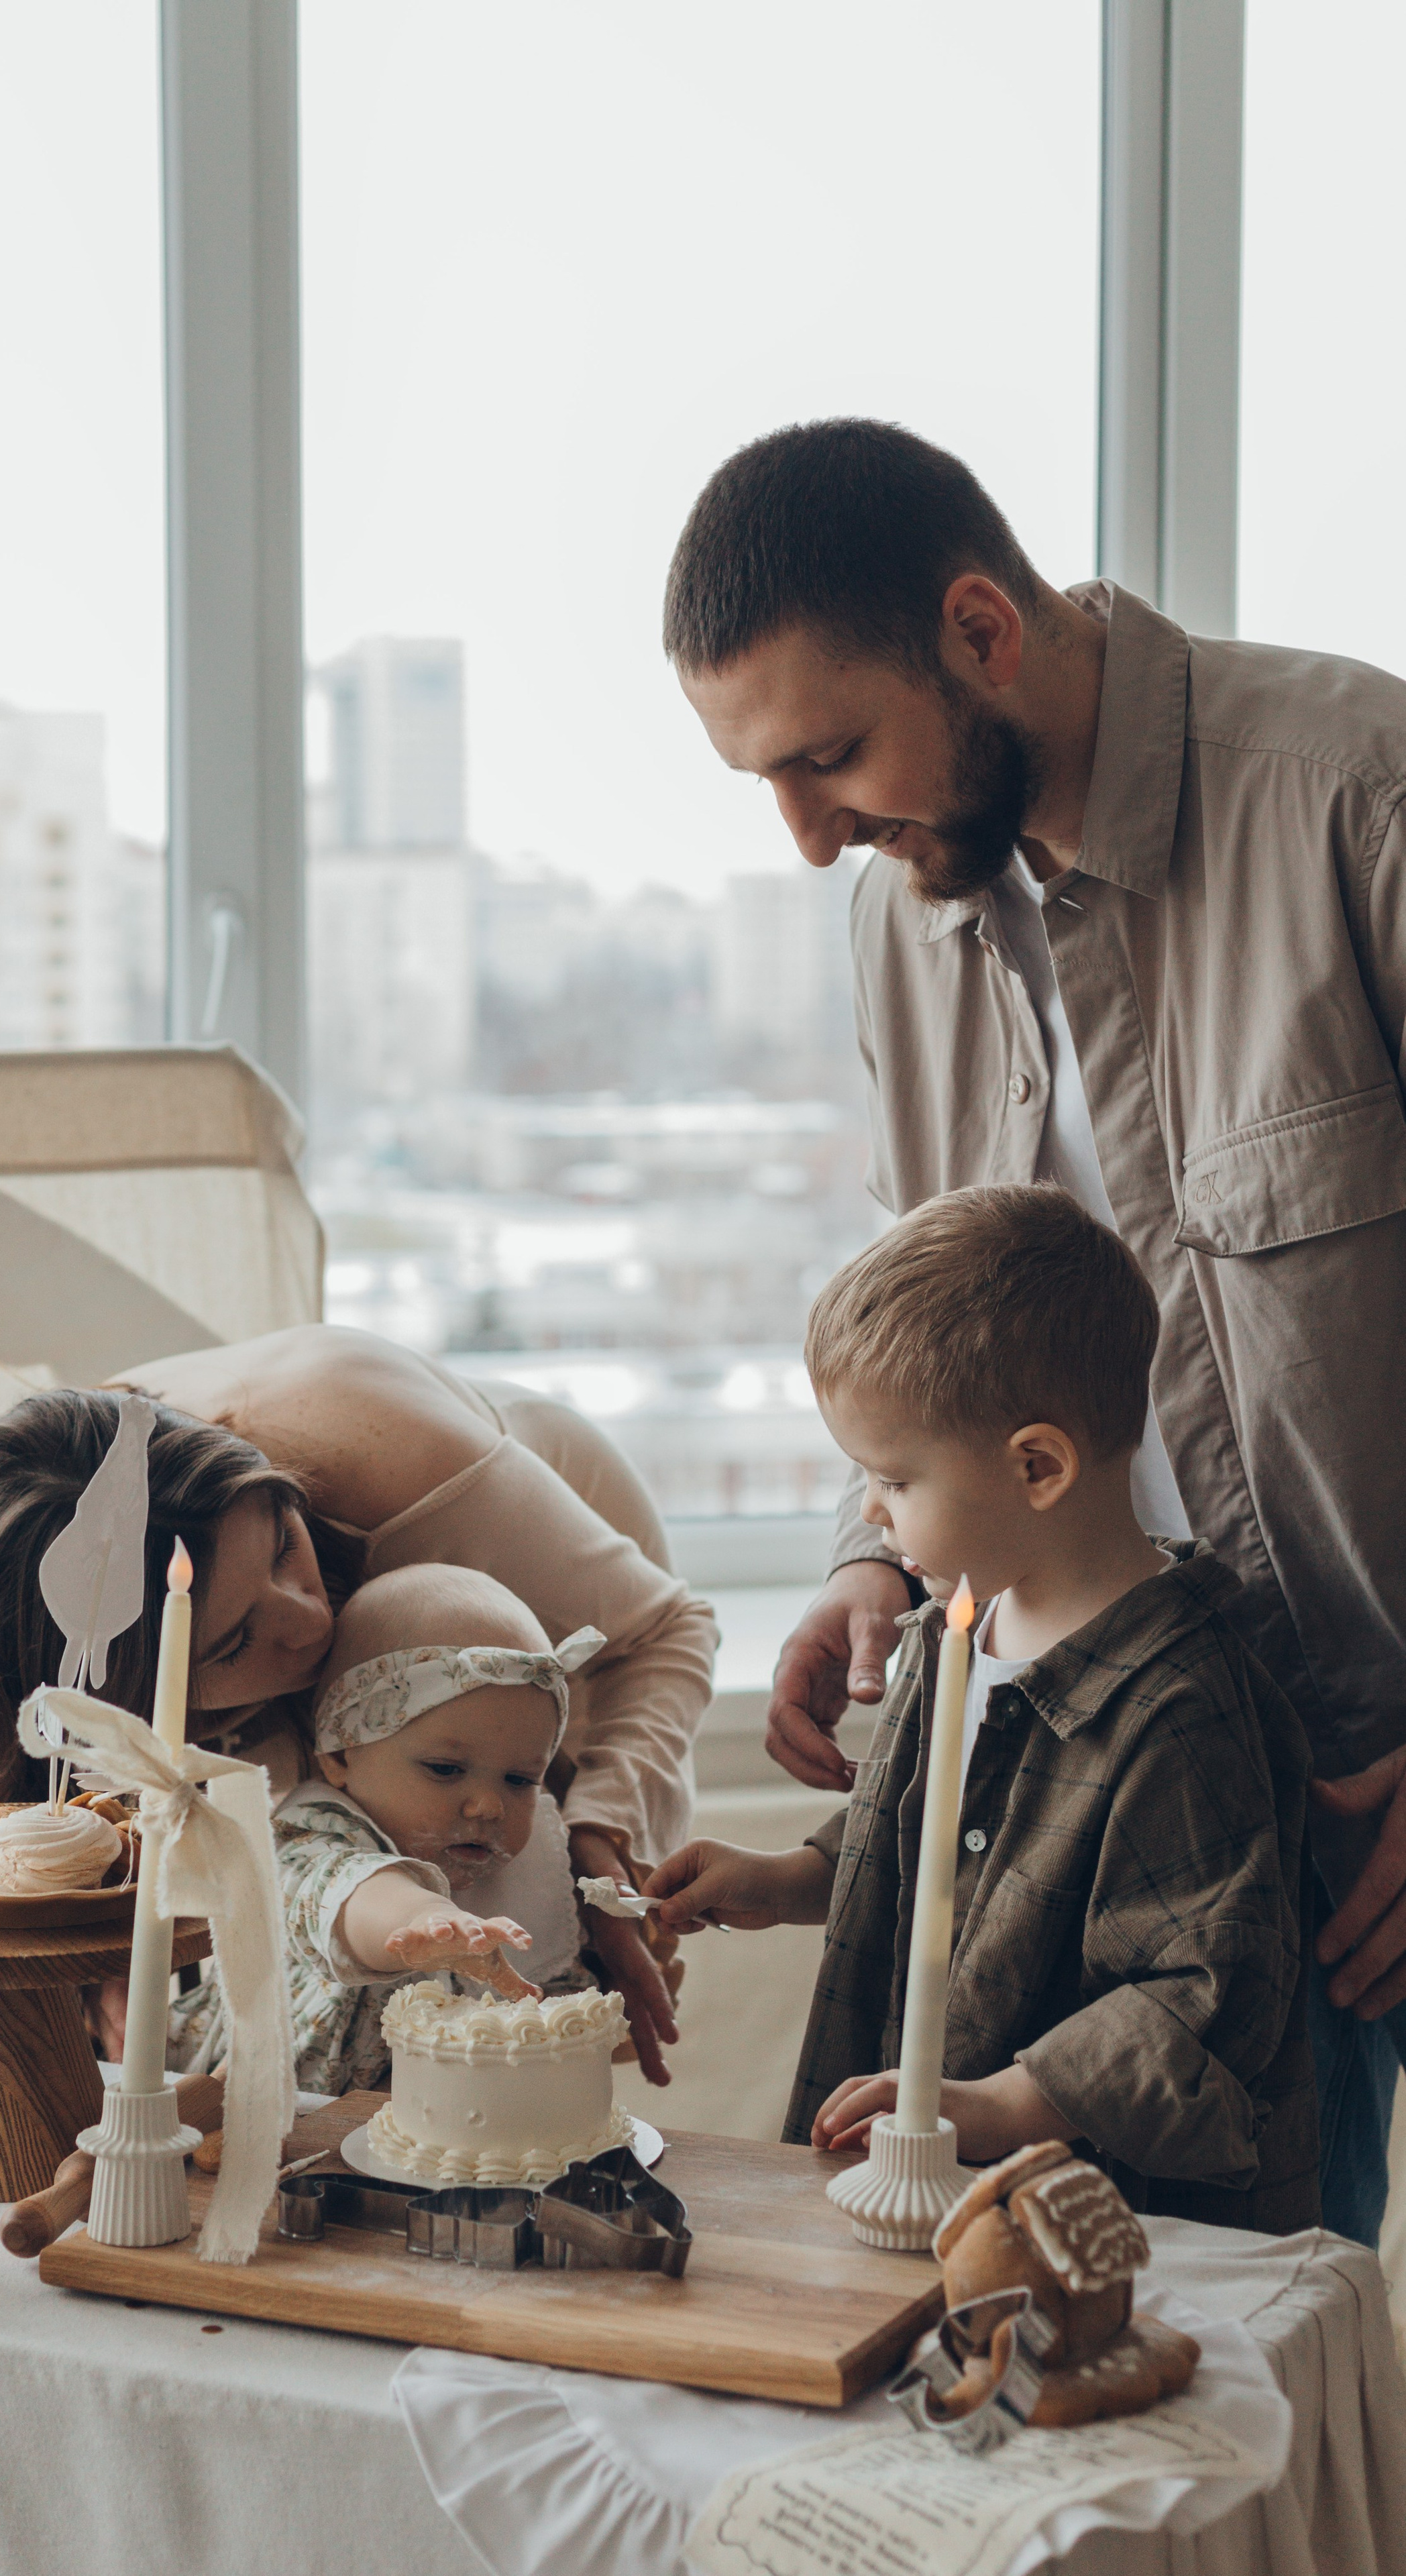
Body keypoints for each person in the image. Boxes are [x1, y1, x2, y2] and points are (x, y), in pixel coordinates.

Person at [664, 416, 1406, 2242]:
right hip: (1105, 1799)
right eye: (766, 780)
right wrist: (874, 1552)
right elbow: (943, 1299)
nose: (810, 835)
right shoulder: (905, 924)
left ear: (981, 630)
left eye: (830, 756)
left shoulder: (1355, 791)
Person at [649, 1187, 1318, 2231]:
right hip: (921, 2186)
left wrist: (995, 2107)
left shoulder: (1182, 1706)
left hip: (1093, 2225)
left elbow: (1199, 1997)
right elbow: (943, 1842)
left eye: (894, 1477)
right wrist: (786, 1881)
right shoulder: (952, 1630)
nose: (869, 1512)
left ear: (1037, 1467)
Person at [0, 1345, 716, 2083]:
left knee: (525, 1929)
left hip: (572, 1602)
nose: (311, 1621)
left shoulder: (403, 1458)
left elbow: (668, 1632)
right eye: (234, 1645)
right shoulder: (3, 1657)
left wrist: (604, 1836)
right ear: (115, 1700)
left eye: (282, 1547)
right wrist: (104, 1961)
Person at [172, 1563, 597, 2092]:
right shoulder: (310, 1835)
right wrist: (424, 1917)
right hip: (286, 2126)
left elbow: (555, 2015)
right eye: (445, 1769)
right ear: (342, 1755)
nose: (489, 1805)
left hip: (455, 2145)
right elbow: (352, 1893)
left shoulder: (527, 1874)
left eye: (519, 1779)